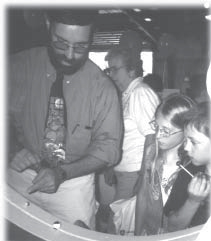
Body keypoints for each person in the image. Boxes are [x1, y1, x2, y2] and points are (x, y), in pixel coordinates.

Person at [7, 9, 123, 229]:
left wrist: (61, 173)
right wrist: (11, 148)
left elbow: (109, 149)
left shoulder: (102, 87)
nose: (70, 55)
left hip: (72, 184)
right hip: (18, 176)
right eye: (60, 43)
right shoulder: (17, 66)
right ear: (48, 24)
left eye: (81, 47)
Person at [135, 93, 196, 236]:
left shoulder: (192, 167)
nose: (157, 136)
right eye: (156, 126)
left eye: (166, 131)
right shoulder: (152, 152)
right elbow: (142, 196)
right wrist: (137, 235)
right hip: (149, 231)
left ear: (186, 130)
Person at [104, 46, 160, 202]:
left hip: (135, 172)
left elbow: (152, 136)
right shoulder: (127, 94)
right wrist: (112, 166)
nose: (111, 75)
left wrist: (143, 176)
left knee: (119, 222)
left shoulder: (140, 93)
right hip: (125, 171)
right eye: (109, 70)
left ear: (131, 70)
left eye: (115, 69)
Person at [164, 101, 211, 232]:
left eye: (194, 142)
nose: (186, 147)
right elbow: (172, 227)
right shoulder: (188, 171)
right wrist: (193, 201)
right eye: (186, 140)